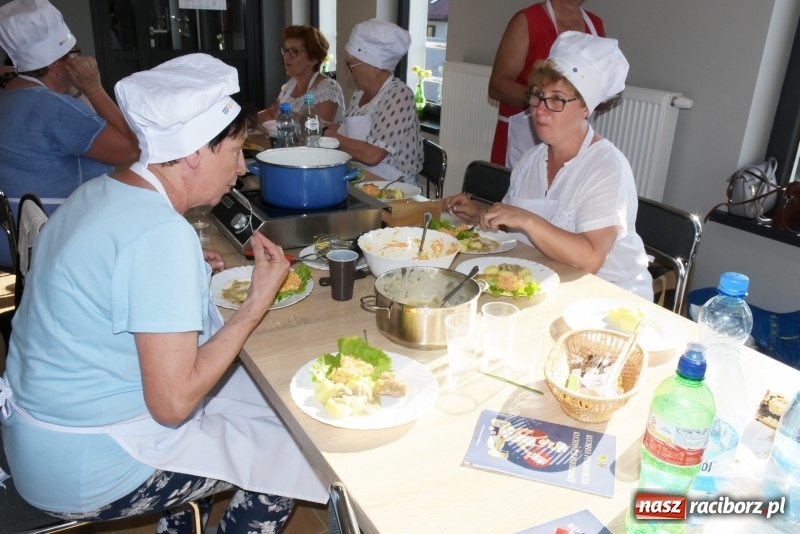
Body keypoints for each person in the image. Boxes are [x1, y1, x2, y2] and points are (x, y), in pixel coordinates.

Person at [0, 53, 326, 532]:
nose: (241, 168)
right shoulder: (160, 234)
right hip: (86, 465)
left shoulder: (98, 192)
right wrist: (257, 301)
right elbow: (172, 404)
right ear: (194, 152)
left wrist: (185, 273)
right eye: (235, 150)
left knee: (258, 404)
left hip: (37, 436)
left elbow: (114, 279)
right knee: (296, 450)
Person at [445, 32, 653, 300]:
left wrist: (528, 220)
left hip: (608, 300)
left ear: (586, 108)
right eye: (538, 95)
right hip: (550, 279)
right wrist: (480, 215)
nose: (540, 109)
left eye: (557, 99)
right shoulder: (532, 159)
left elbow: (590, 259)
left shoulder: (606, 167)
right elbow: (514, 226)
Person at [0, 0, 139, 218]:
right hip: (57, 231)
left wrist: (76, 91)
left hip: (16, 234)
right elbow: (132, 149)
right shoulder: (52, 108)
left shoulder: (9, 98)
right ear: (56, 66)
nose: (78, 59)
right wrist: (94, 89)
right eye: (73, 54)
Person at [489, 0, 604, 168]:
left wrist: (604, 95)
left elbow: (600, 87)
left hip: (570, 143)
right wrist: (541, 99)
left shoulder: (596, 25)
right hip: (522, 138)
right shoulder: (528, 21)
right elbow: (497, 85)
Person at [322, 19, 423, 184]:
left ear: (374, 66)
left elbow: (372, 155)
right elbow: (344, 133)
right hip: (364, 180)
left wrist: (326, 133)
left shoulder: (399, 95)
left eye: (351, 65)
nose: (348, 72)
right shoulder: (360, 92)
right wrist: (316, 124)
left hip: (395, 190)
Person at [257, 25, 345, 127]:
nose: (286, 56)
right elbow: (272, 113)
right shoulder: (290, 85)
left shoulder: (328, 89)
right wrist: (248, 120)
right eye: (286, 50)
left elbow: (321, 132)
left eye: (294, 51)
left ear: (313, 59)